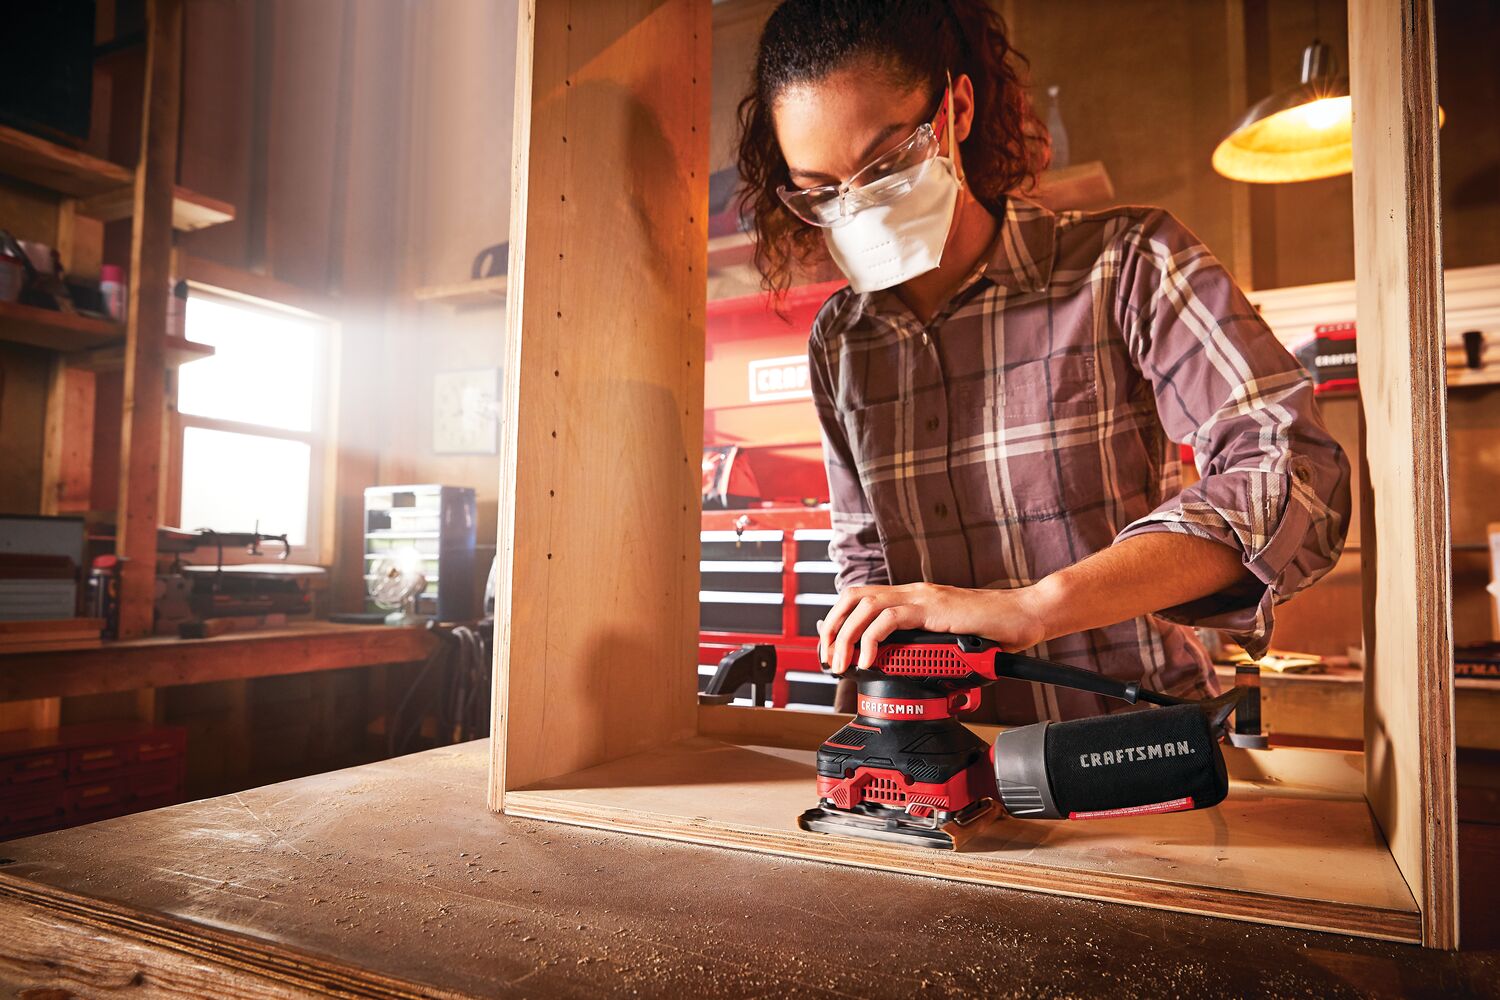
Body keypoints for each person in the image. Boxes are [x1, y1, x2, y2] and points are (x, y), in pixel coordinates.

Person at [733, 0, 1351, 720]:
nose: (858, 205)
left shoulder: (1126, 265)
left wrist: (1037, 607)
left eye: (884, 164)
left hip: (1128, 743)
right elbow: (869, 569)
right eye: (821, 191)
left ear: (955, 111)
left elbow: (1297, 471)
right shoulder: (841, 343)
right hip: (950, 760)